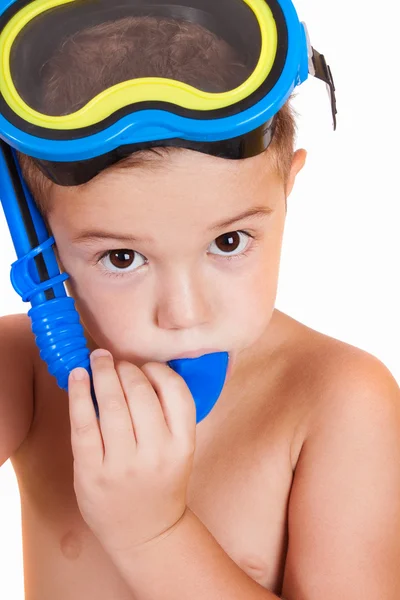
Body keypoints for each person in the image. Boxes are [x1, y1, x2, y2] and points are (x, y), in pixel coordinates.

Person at [0, 3, 399, 599]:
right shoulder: (26, 368)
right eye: (122, 257)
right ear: (39, 239)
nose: (185, 312)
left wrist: (153, 534)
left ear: (287, 189)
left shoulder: (339, 402)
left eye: (229, 241)